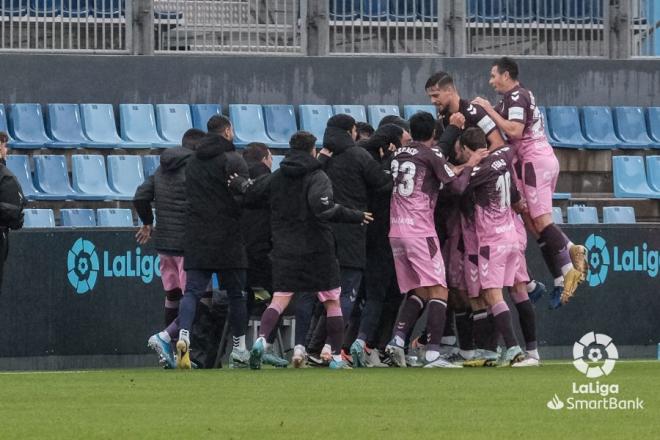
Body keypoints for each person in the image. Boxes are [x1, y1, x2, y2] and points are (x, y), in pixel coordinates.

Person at [233, 131, 373, 370]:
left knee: (279, 300)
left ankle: (261, 341)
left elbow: (251, 193)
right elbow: (323, 207)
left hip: (285, 249)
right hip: (318, 249)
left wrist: (238, 183)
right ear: (312, 150)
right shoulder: (317, 175)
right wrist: (354, 215)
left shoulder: (277, 176)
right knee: (331, 301)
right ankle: (336, 357)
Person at [472, 57, 587, 308]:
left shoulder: (516, 97)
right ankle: (560, 277)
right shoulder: (512, 98)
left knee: (541, 220)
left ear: (506, 75)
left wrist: (488, 109)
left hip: (534, 162)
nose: (491, 81)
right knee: (531, 220)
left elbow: (514, 131)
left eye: (494, 76)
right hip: (536, 161)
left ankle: (572, 252)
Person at [385, 112, 486, 368]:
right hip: (420, 231)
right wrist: (471, 164)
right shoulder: (432, 155)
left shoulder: (399, 154)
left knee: (419, 289)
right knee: (440, 289)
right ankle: (432, 353)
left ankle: (396, 341)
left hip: (396, 230)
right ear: (432, 133)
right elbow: (456, 187)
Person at [309, 114, 392, 362]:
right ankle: (331, 348)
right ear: (351, 131)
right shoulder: (358, 156)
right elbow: (382, 183)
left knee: (324, 294)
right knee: (347, 294)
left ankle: (311, 346)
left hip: (323, 232)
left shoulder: (322, 157)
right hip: (353, 229)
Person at [175, 115, 251, 369]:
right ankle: (240, 348)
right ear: (228, 131)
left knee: (192, 292)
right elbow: (245, 197)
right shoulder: (233, 160)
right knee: (237, 295)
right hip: (228, 235)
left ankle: (183, 335)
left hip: (198, 234)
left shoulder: (193, 161)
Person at [452, 127, 529, 366]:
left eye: (458, 149)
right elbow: (517, 201)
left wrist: (465, 168)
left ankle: (514, 348)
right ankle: (489, 351)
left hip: (491, 241)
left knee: (492, 294)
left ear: (466, 148)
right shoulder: (501, 161)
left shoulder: (478, 169)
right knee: (494, 295)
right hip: (510, 237)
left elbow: (457, 188)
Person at [134, 128, 206, 368]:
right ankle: (169, 343)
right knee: (193, 296)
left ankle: (170, 356)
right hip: (188, 244)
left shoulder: (162, 168)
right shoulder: (196, 169)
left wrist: (147, 222)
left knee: (172, 296)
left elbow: (140, 196)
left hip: (164, 243)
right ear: (197, 147)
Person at [240, 142, 288, 368]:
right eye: (270, 157)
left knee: (241, 298)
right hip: (265, 253)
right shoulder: (271, 182)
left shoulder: (234, 180)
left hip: (238, 255)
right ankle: (266, 342)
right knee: (281, 295)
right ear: (264, 159)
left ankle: (237, 348)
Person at [425, 71, 505, 149]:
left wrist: (478, 161)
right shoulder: (441, 114)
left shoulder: (475, 112)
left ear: (449, 90)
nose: (432, 101)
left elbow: (498, 143)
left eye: (436, 95)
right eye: (430, 97)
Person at [0, 132, 24, 295]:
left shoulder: (6, 177)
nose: (6, 150)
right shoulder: (6, 177)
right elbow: (16, 217)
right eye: (4, 145)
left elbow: (15, 216)